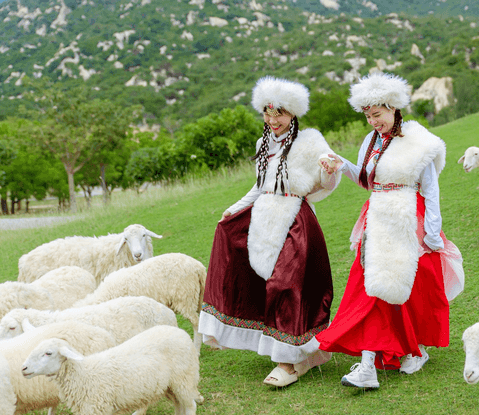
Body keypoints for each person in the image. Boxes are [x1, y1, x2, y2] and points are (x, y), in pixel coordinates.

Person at [316, 73, 464, 389]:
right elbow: (367, 181)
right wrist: (341, 164)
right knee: (369, 286)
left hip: (408, 215)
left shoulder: (417, 141)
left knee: (411, 285)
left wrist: (432, 232)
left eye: (377, 114)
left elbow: (431, 188)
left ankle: (413, 348)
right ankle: (371, 362)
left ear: (394, 108)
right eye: (368, 116)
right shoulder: (371, 142)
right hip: (379, 215)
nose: (373, 121)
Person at [199, 76, 341, 388]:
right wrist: (235, 209)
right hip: (265, 217)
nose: (273, 120)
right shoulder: (263, 144)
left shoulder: (311, 141)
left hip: (296, 221)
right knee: (265, 283)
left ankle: (287, 362)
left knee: (287, 285)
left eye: (279, 113)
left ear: (292, 114)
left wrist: (329, 172)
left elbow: (324, 182)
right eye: (267, 112)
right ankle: (300, 354)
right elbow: (261, 185)